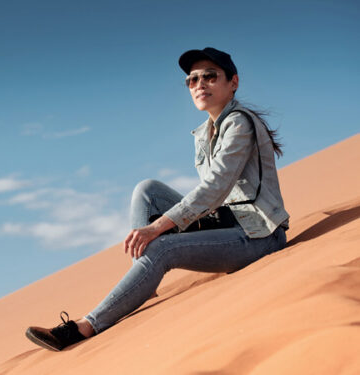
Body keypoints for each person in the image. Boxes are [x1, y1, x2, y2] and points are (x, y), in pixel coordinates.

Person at [25, 47, 290, 352]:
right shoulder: (204, 133)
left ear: (233, 82)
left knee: (163, 247)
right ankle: (144, 281)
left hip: (260, 236)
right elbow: (212, 197)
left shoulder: (239, 124)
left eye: (210, 76)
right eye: (192, 80)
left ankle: (85, 327)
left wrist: (158, 228)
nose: (200, 84)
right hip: (229, 223)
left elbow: (215, 188)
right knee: (147, 189)